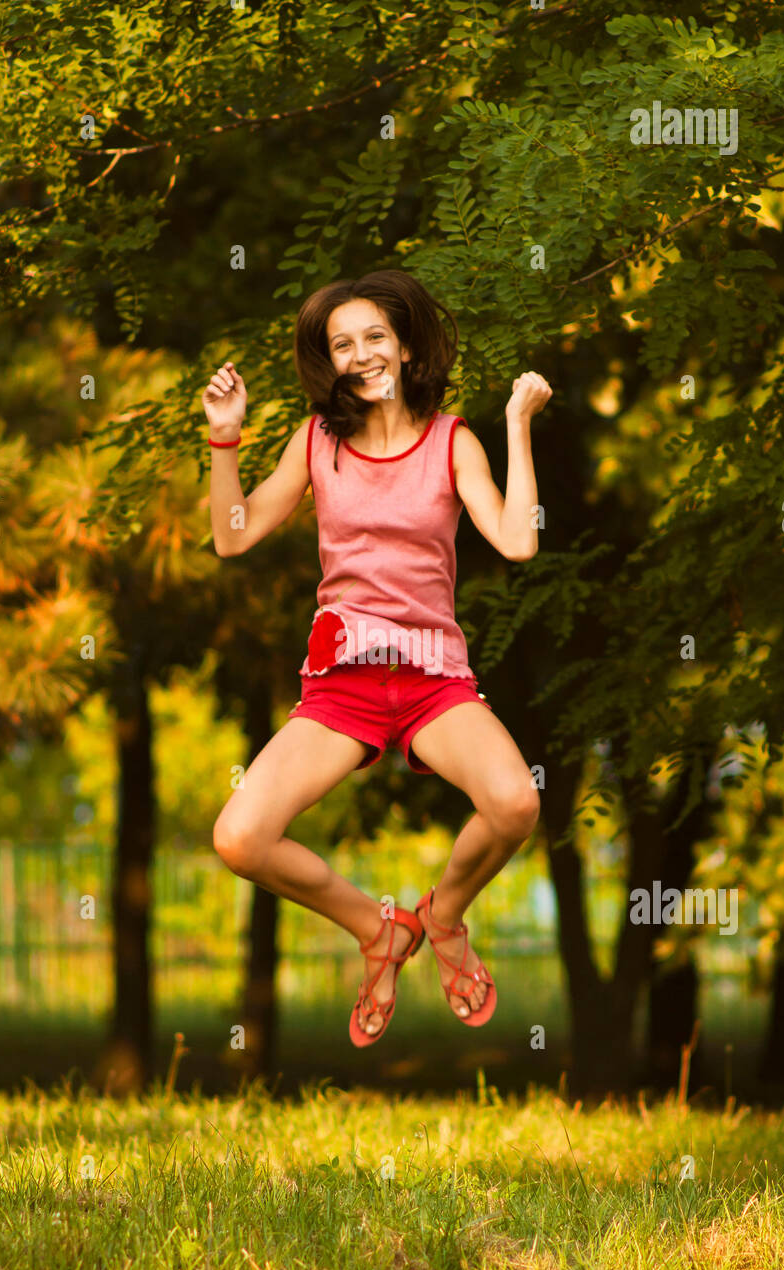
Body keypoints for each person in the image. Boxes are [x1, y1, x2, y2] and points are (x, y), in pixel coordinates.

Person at [204, 269, 551, 1047]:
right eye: (341, 344)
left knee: (516, 804)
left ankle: (446, 914)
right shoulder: (316, 442)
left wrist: (517, 424)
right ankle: (378, 928)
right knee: (238, 838)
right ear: (329, 362)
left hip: (435, 681)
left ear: (401, 345)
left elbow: (518, 538)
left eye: (373, 337)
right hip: (342, 686)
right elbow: (232, 535)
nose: (360, 355)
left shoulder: (451, 441)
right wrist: (224, 435)